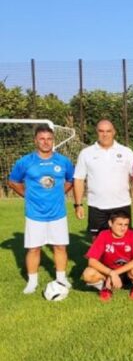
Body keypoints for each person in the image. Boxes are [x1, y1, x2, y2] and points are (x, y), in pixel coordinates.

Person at [8, 124, 75, 294]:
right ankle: (32, 282)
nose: (46, 142)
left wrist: (60, 193)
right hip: (34, 214)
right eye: (42, 139)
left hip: (58, 213)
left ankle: (61, 278)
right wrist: (28, 195)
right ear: (35, 141)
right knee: (34, 248)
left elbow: (71, 180)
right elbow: (13, 181)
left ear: (53, 140)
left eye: (49, 139)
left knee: (60, 247)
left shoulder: (63, 161)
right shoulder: (25, 162)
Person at [73, 119, 133, 235]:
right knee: (97, 242)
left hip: (121, 205)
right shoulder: (86, 153)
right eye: (101, 131)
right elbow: (79, 179)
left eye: (108, 131)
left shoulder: (126, 152)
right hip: (96, 206)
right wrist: (78, 204)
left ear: (114, 132)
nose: (105, 134)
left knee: (123, 241)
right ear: (97, 132)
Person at [81, 211, 133, 301]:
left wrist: (115, 273)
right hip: (108, 272)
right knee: (88, 274)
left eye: (126, 225)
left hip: (128, 272)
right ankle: (105, 288)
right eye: (119, 224)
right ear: (110, 223)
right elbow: (92, 261)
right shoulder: (103, 235)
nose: (123, 228)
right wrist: (111, 273)